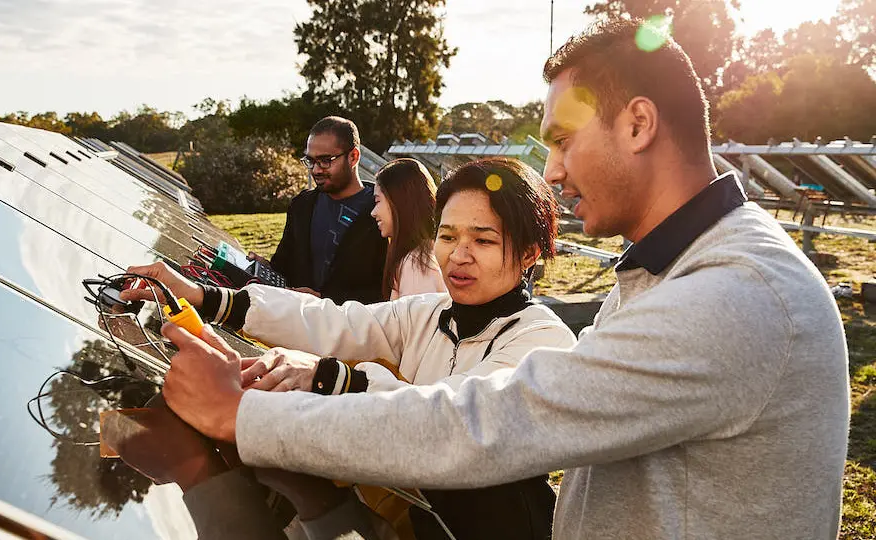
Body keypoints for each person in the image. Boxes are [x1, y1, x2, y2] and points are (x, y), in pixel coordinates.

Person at [158, 19, 849, 540]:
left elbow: (487, 423)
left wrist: (243, 415)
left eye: (561, 140)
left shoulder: (732, 295)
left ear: (638, 123)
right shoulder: (677, 270)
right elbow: (345, 325)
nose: (551, 171)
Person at [121, 158, 575, 539]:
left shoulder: (542, 341)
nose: (458, 255)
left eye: (483, 240)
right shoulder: (428, 313)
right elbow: (334, 321)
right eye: (449, 235)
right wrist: (201, 295)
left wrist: (332, 378)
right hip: (416, 516)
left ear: (531, 252)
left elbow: (456, 420)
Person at [252, 116, 388, 304]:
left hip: (354, 329)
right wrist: (265, 268)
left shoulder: (382, 211)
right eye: (310, 161)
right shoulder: (302, 206)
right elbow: (283, 267)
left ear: (353, 156)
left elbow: (388, 293)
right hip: (297, 325)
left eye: (325, 160)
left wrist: (325, 300)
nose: (315, 170)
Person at [370, 158, 446, 299]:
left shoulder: (417, 263)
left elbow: (416, 320)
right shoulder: (423, 255)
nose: (373, 212)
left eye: (377, 201)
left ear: (399, 202)